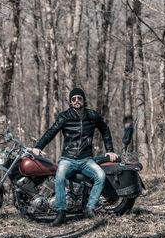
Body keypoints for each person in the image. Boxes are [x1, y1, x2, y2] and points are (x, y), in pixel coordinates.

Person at [32, 88, 118, 226]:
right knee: (59, 178)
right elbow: (51, 132)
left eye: (79, 98)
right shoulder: (64, 116)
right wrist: (38, 147)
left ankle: (90, 208)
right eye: (74, 99)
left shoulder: (92, 116)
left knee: (100, 176)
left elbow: (105, 130)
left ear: (84, 100)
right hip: (68, 159)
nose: (77, 101)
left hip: (86, 159)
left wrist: (110, 150)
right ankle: (61, 213)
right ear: (71, 102)